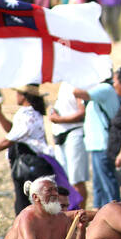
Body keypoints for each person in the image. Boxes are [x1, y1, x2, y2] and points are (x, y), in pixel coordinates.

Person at [0, 83, 74, 215]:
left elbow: (9, 140)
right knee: (30, 203)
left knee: (28, 205)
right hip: (28, 163)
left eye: (18, 93)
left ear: (24, 96)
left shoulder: (29, 116)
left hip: (31, 164)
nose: (15, 95)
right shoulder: (28, 113)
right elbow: (13, 131)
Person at [0, 176, 92, 239]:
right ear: (36, 197)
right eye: (49, 190)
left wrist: (81, 229)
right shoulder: (27, 217)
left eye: (55, 190)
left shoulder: (63, 219)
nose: (55, 193)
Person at [73, 77, 121, 208]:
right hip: (96, 145)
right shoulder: (103, 89)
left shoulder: (104, 89)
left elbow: (78, 92)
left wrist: (78, 79)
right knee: (99, 187)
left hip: (102, 145)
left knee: (108, 186)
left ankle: (117, 214)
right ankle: (103, 216)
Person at [48, 80, 89, 210]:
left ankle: (79, 214)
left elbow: (82, 113)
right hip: (61, 135)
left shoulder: (76, 84)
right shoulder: (64, 83)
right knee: (64, 179)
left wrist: (59, 119)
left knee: (76, 180)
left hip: (74, 133)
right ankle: (68, 214)